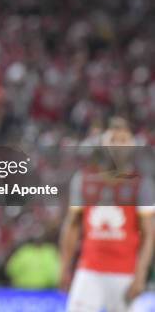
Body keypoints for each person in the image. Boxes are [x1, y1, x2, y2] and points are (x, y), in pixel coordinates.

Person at [59, 118, 155, 312]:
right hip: (89, 270)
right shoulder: (84, 179)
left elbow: (149, 233)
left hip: (125, 273)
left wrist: (140, 275)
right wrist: (64, 267)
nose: (118, 145)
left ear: (132, 146)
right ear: (103, 143)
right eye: (113, 139)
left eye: (124, 140)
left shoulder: (141, 184)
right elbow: (72, 226)